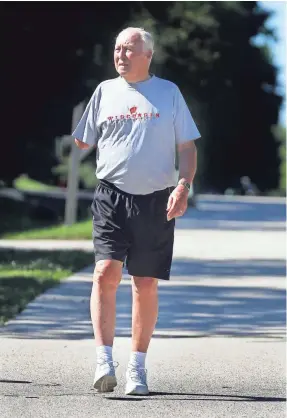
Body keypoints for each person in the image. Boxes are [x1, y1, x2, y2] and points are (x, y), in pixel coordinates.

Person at [72, 27, 200, 396]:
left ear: (148, 55)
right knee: (104, 272)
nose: (121, 55)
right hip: (111, 195)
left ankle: (137, 368)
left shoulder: (168, 93)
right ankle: (103, 360)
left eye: (129, 49)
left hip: (157, 199)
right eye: (117, 49)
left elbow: (187, 148)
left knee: (144, 282)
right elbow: (84, 139)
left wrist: (183, 185)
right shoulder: (104, 92)